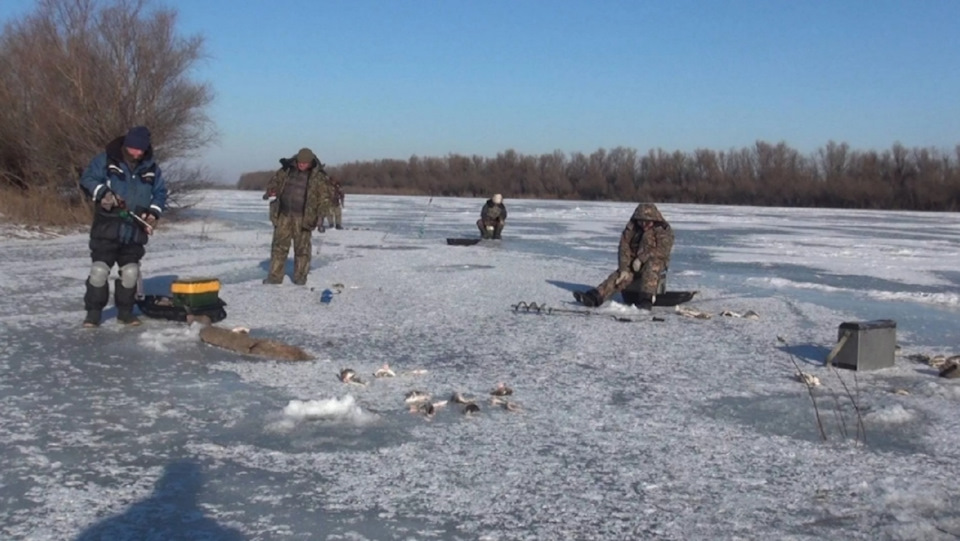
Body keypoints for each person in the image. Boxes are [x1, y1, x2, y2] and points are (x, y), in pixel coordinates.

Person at [79, 126, 167, 327]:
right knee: (99, 271)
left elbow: (160, 193)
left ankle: (125, 313)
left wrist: (153, 213)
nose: (137, 153)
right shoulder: (106, 160)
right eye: (134, 148)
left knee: (130, 273)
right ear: (127, 144)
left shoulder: (151, 168)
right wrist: (103, 193)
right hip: (106, 228)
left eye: (141, 150)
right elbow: (87, 179)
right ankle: (93, 313)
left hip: (134, 230)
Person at [573, 202, 674, 310]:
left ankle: (646, 299)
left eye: (647, 222)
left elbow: (662, 251)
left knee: (651, 266)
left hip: (655, 262)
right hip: (634, 262)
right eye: (641, 222)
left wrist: (641, 259)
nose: (644, 225)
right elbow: (624, 247)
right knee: (619, 277)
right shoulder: (632, 228)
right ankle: (595, 297)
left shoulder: (663, 230)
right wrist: (624, 268)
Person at [261, 147, 332, 285]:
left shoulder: (319, 177)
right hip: (284, 215)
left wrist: (320, 217)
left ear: (310, 162)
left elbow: (324, 199)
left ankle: (300, 278)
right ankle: (275, 277)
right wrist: (272, 189)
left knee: (302, 250)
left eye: (305, 163)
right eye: (300, 162)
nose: (302, 164)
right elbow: (274, 182)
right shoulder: (287, 170)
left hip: (304, 218)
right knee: (279, 247)